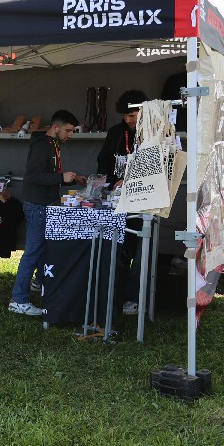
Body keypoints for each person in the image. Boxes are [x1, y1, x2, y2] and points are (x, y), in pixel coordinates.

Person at [8, 109, 85, 317]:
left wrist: (72, 179)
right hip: (37, 206)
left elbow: (48, 175)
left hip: (45, 204)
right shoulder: (42, 146)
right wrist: (61, 178)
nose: (71, 135)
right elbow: (32, 176)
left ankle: (38, 283)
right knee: (33, 253)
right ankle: (18, 299)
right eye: (68, 130)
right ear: (56, 127)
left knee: (42, 250)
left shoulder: (53, 144)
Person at [96, 89, 149, 315]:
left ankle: (132, 296)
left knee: (138, 250)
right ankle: (112, 295)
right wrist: (104, 182)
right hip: (116, 201)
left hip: (142, 201)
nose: (128, 120)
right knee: (118, 248)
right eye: (125, 115)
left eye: (132, 115)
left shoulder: (152, 134)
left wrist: (131, 181)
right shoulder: (116, 133)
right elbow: (103, 161)